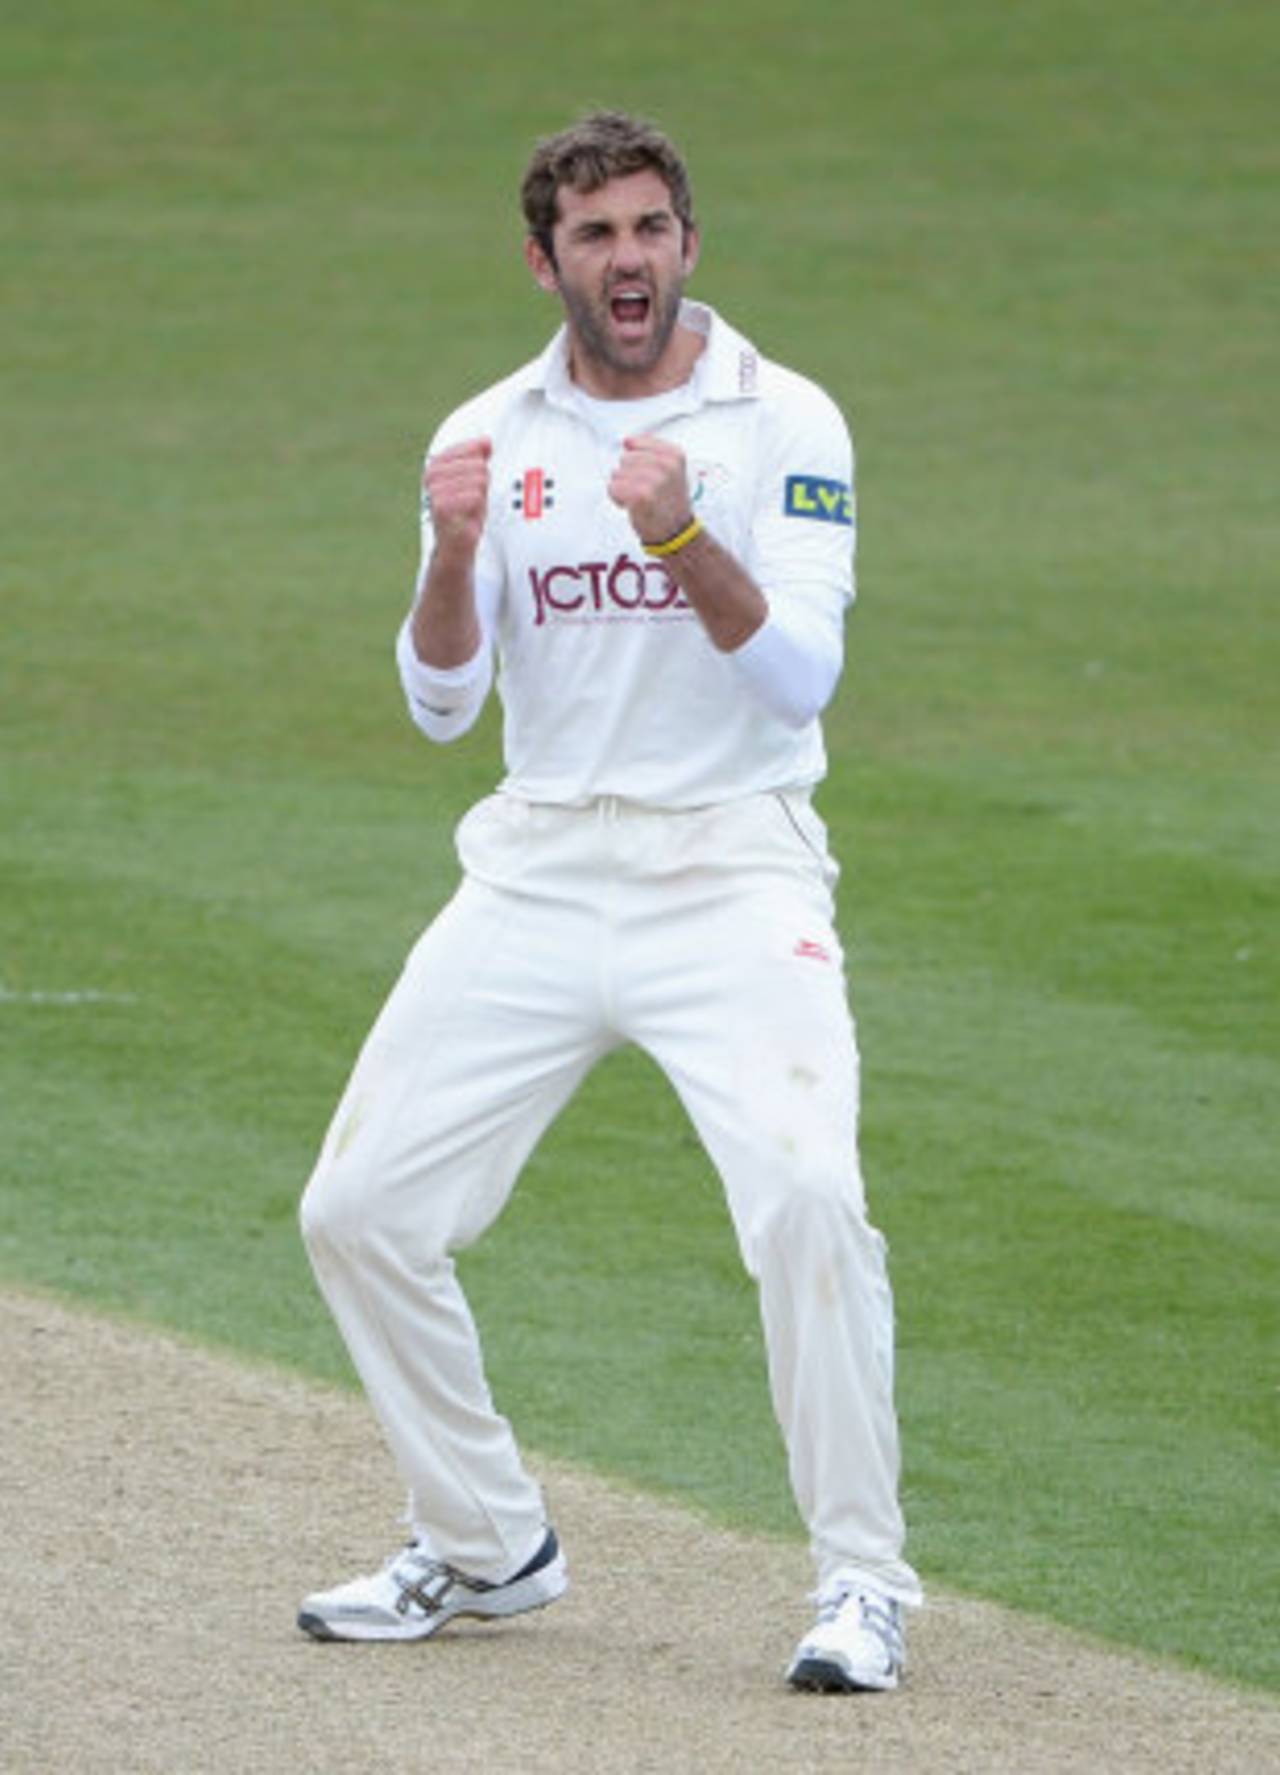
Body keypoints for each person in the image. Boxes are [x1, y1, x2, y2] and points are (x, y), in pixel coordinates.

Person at [297, 110, 922, 1692]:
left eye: (650, 229)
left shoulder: (784, 419)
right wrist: (449, 553)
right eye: (594, 236)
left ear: (688, 245)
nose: (626, 259)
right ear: (544, 262)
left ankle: (863, 1583)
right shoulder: (488, 435)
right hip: (543, 863)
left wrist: (683, 533)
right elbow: (444, 708)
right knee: (359, 1213)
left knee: (808, 1205)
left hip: (732, 864)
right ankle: (487, 1543)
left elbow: (802, 676)